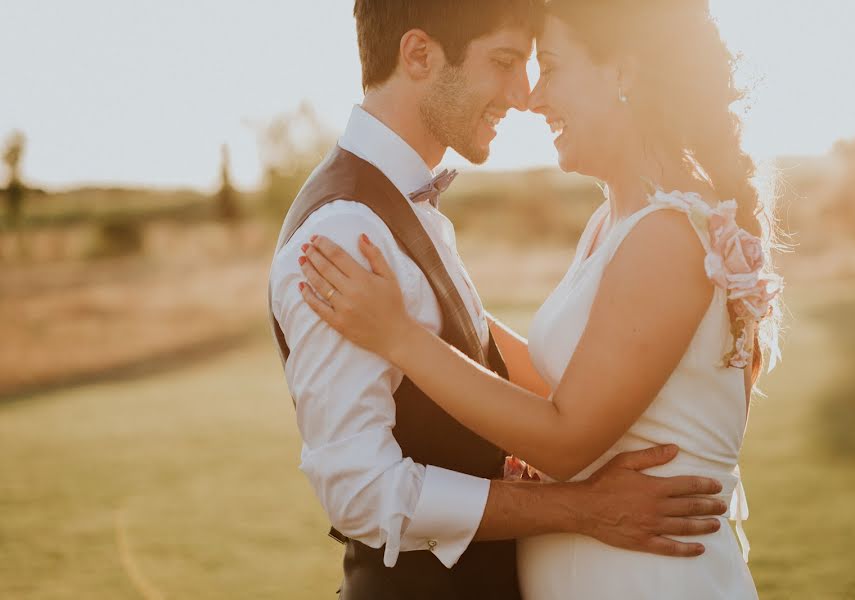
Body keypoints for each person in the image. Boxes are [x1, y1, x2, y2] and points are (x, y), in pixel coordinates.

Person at [293, 0, 783, 598]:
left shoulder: (665, 235)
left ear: (623, 74)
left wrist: (402, 336)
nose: (533, 97)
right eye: (515, 63)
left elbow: (567, 438)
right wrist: (424, 298)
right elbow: (564, 379)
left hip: (647, 575)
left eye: (547, 67)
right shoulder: (613, 222)